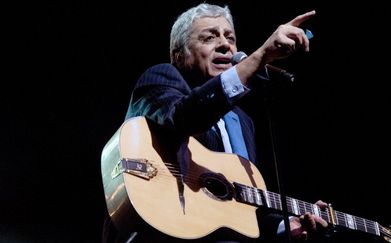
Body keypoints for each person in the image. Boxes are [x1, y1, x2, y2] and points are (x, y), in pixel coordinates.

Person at [103, 3, 330, 243]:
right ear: (180, 54)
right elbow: (183, 117)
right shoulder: (161, 79)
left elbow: (238, 206)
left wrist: (285, 225)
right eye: (209, 37)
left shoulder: (241, 121)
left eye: (230, 37)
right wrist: (260, 55)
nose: (225, 44)